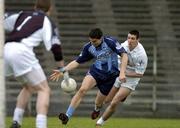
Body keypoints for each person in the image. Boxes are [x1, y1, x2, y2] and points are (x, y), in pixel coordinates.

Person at [4, 0, 64, 128]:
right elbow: (56, 47)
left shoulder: (22, 14)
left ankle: (16, 121)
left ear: (35, 7)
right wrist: (61, 68)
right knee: (44, 90)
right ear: (50, 9)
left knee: (29, 86)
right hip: (21, 51)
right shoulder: (47, 21)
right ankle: (41, 125)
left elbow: (3, 19)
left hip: (6, 49)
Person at [50, 28, 128, 125]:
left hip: (110, 77)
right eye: (90, 41)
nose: (92, 43)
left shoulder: (111, 42)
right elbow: (77, 61)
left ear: (101, 38)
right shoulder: (88, 47)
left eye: (94, 41)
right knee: (82, 89)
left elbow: (124, 55)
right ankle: (67, 116)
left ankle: (96, 109)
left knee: (100, 102)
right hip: (95, 72)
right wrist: (64, 69)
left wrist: (122, 73)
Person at [95, 30, 148, 127]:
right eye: (128, 38)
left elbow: (140, 74)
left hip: (131, 79)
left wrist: (124, 74)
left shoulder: (142, 54)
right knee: (106, 101)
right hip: (120, 74)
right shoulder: (124, 45)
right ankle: (121, 96)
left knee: (114, 102)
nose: (129, 40)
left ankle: (100, 122)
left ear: (138, 40)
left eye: (132, 38)